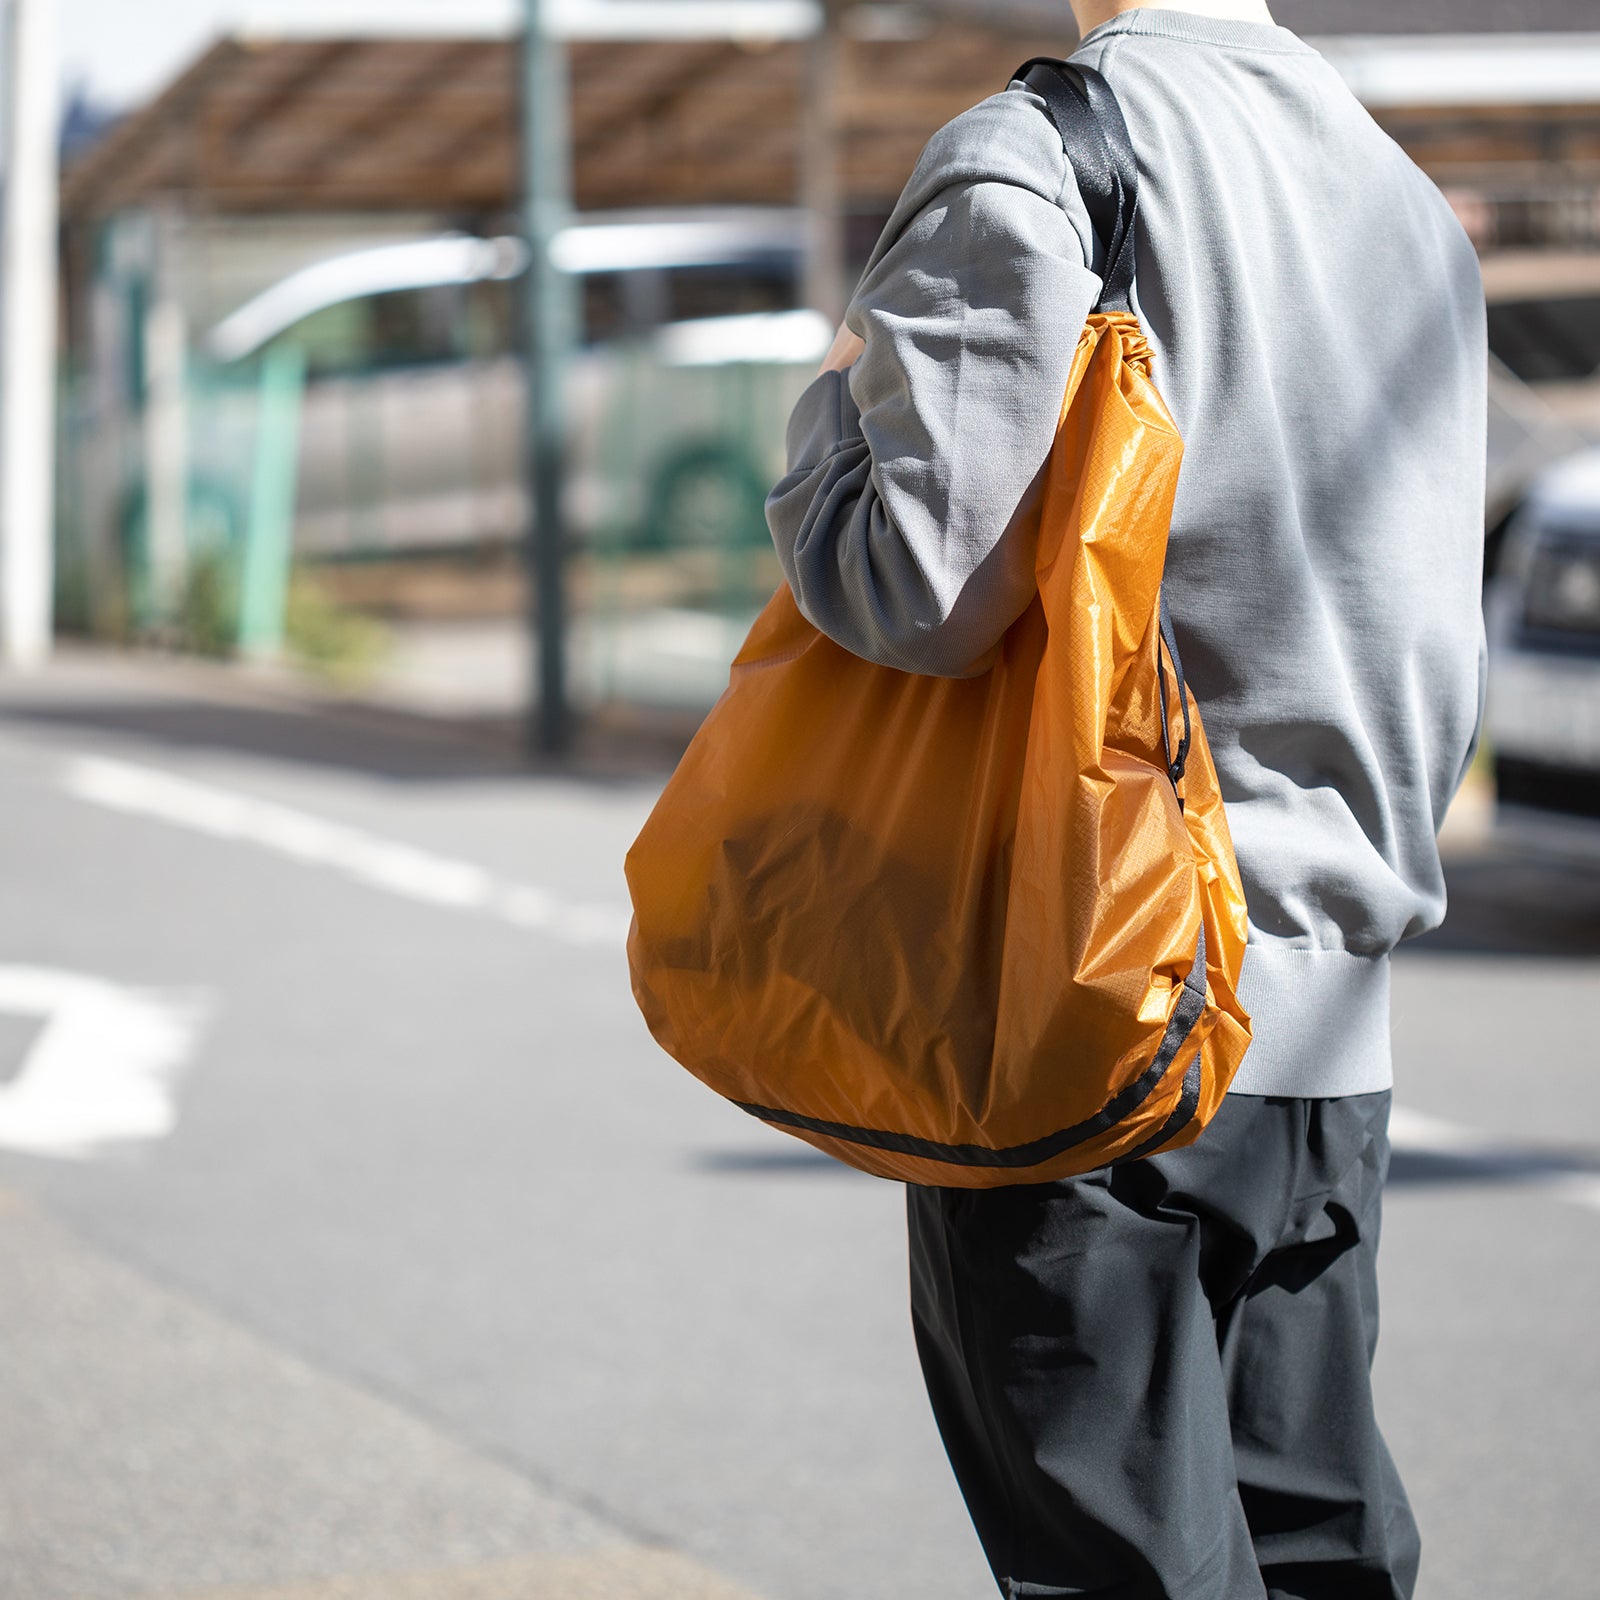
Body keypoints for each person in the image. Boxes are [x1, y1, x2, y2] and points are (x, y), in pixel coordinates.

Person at [764, 2, 1486, 1597]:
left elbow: (915, 586)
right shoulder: (1401, 196)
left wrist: (824, 415)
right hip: (1328, 1033)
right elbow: (1431, 644)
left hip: (1091, 1012)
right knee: (1319, 1559)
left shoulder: (1038, 156)